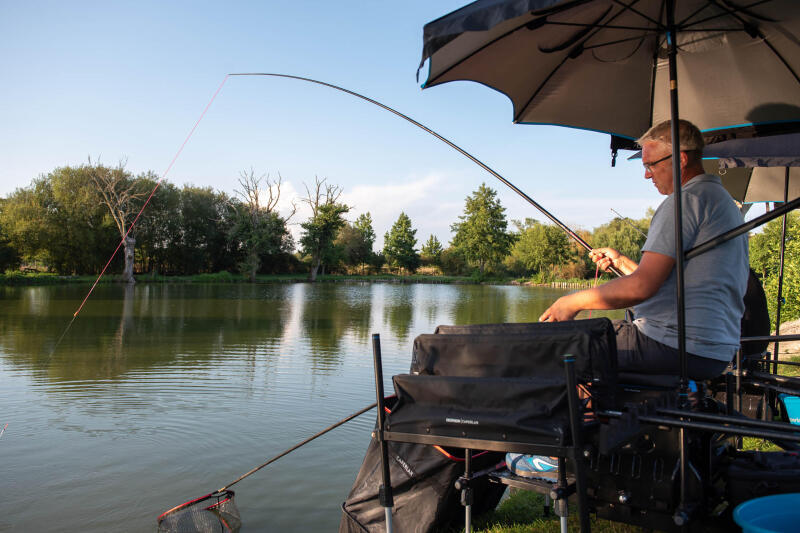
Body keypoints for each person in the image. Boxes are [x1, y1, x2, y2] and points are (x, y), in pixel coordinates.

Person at [507, 119, 749, 478]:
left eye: (651, 164)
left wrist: (571, 302)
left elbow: (641, 289)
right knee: (590, 344)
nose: (647, 175)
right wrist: (621, 262)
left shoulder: (683, 202)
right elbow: (665, 282)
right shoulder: (719, 200)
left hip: (675, 342)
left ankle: (564, 456)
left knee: (560, 346)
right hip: (712, 348)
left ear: (681, 159)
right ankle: (598, 438)